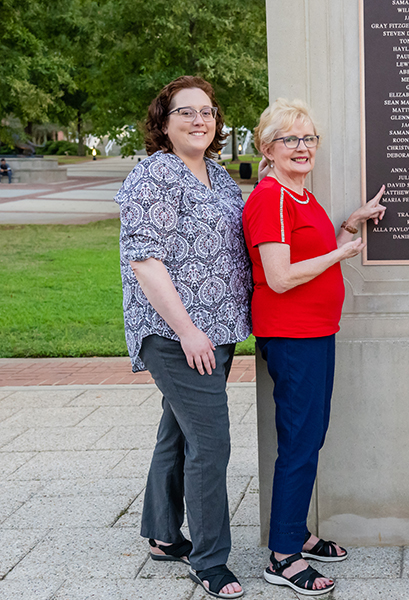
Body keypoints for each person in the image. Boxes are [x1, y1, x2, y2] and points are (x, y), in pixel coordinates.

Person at [115, 75, 251, 599]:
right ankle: (211, 561)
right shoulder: (154, 175)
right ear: (163, 123)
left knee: (179, 432)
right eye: (186, 112)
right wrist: (189, 331)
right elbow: (145, 261)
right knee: (211, 443)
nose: (200, 120)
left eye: (208, 112)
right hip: (177, 335)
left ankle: (162, 535)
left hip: (217, 330)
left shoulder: (219, 176)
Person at [242, 98, 385, 596]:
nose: (302, 148)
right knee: (300, 440)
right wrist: (340, 252)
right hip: (292, 335)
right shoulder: (270, 199)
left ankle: (295, 530)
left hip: (318, 332)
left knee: (311, 434)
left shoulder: (302, 196)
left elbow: (314, 250)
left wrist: (350, 223)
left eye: (308, 139)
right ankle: (282, 555)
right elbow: (279, 278)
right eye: (290, 139)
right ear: (267, 147)